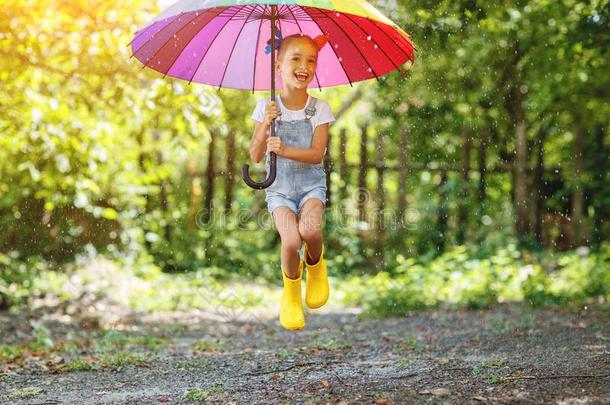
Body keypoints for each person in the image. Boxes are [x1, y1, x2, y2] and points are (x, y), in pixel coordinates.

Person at [249, 33, 335, 330]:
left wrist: (285, 149)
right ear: (279, 65)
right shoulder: (266, 107)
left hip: (311, 186)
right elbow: (256, 154)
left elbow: (316, 154)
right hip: (280, 191)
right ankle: (290, 294)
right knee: (291, 240)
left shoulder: (319, 109)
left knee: (310, 231)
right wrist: (264, 125)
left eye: (310, 60)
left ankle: (315, 265)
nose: (304, 65)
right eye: (295, 58)